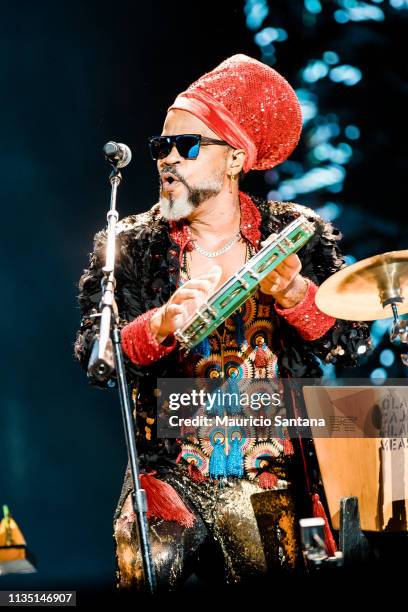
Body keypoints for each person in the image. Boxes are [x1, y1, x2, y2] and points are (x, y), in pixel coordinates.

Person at [75, 54, 371, 591]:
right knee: (142, 560)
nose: (167, 159)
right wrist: (159, 327)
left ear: (234, 159)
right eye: (160, 147)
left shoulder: (295, 233)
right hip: (169, 467)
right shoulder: (131, 245)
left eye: (186, 145)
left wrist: (297, 295)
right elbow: (95, 355)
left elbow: (349, 343)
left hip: (271, 469)